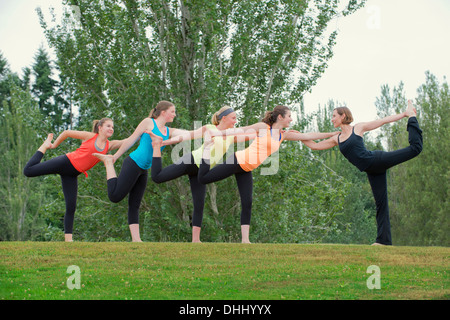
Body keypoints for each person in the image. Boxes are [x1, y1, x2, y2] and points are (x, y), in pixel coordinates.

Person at [194, 105, 338, 243]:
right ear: (280, 117)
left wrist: (331, 134)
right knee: (203, 178)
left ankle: (245, 240)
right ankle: (206, 149)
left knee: (247, 202)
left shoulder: (283, 135)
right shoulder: (263, 128)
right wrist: (217, 134)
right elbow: (240, 130)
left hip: (247, 168)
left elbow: (308, 135)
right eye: (289, 116)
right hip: (238, 160)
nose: (291, 119)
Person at [301, 100, 422, 245]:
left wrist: (404, 114)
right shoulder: (336, 139)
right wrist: (299, 137)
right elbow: (315, 146)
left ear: (343, 115)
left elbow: (382, 121)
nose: (332, 119)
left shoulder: (358, 128)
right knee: (381, 204)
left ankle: (412, 117)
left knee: (415, 148)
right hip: (372, 170)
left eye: (334, 116)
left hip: (377, 160)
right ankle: (383, 241)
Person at [93, 101, 207, 242]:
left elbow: (191, 134)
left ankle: (136, 240)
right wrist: (115, 156)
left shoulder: (168, 131)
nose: (175, 114)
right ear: (163, 112)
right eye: (173, 111)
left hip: (144, 169)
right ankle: (108, 163)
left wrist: (207, 130)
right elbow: (131, 140)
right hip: (133, 163)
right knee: (115, 197)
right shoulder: (148, 123)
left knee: (135, 204)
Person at [149, 106, 256, 242]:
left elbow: (251, 135)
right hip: (191, 161)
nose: (235, 121)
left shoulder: (230, 135)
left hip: (201, 171)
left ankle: (195, 240)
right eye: (233, 118)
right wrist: (165, 142)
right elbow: (188, 136)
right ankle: (156, 147)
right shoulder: (209, 128)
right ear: (224, 118)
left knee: (199, 203)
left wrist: (272, 131)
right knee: (157, 178)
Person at [23, 118, 123, 242]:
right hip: (64, 162)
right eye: (108, 126)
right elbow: (66, 133)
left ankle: (68, 241)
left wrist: (143, 133)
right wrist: (53, 145)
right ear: (100, 127)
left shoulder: (109, 145)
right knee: (28, 171)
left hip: (72, 174)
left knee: (71, 207)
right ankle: (44, 146)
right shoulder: (90, 136)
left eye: (113, 127)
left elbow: (127, 141)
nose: (111, 129)